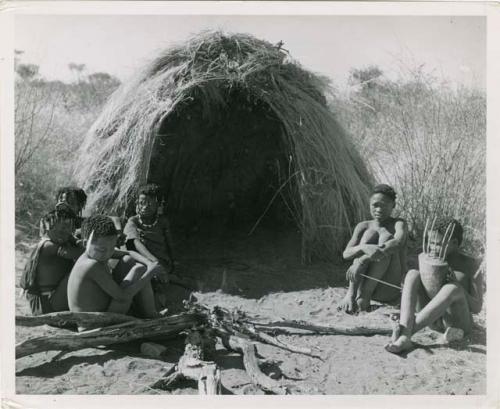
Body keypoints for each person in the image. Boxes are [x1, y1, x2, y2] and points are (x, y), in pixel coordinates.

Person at [385, 218, 483, 354]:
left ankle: (405, 334)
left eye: (438, 244)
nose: (432, 248)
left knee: (452, 288)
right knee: (412, 274)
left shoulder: (471, 265)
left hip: (456, 324)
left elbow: (477, 308)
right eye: (430, 242)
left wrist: (458, 286)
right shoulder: (427, 258)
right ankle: (405, 328)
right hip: (430, 321)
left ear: (454, 243)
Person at [68, 215, 162, 321]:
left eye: (112, 248)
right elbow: (122, 297)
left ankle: (149, 313)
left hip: (102, 315)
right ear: (86, 244)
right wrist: (149, 273)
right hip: (94, 324)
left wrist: (149, 263)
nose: (108, 254)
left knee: (127, 259)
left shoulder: (95, 252)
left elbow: (129, 252)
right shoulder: (90, 265)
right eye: (103, 250)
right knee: (138, 270)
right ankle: (151, 316)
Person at [337, 184, 408, 314]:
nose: (379, 209)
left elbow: (397, 242)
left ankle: (364, 297)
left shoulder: (399, 223)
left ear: (393, 205)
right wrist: (364, 247)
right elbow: (346, 254)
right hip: (361, 284)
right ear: (369, 204)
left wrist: (362, 260)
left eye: (384, 205)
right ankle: (351, 294)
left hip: (387, 288)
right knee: (369, 235)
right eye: (375, 205)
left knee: (386, 239)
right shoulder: (363, 226)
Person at [20, 206, 84, 315]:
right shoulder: (48, 246)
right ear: (49, 228)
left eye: (68, 227)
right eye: (60, 228)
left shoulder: (63, 239)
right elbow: (78, 253)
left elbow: (72, 239)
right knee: (80, 270)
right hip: (47, 304)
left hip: (54, 298)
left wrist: (77, 241)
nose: (64, 231)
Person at [124, 184, 174, 309]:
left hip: (161, 261)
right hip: (145, 261)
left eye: (150, 203)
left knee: (161, 278)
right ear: (137, 203)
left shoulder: (162, 221)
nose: (145, 206)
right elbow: (135, 242)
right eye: (142, 203)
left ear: (158, 205)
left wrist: (174, 262)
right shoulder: (133, 221)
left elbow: (170, 243)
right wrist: (153, 261)